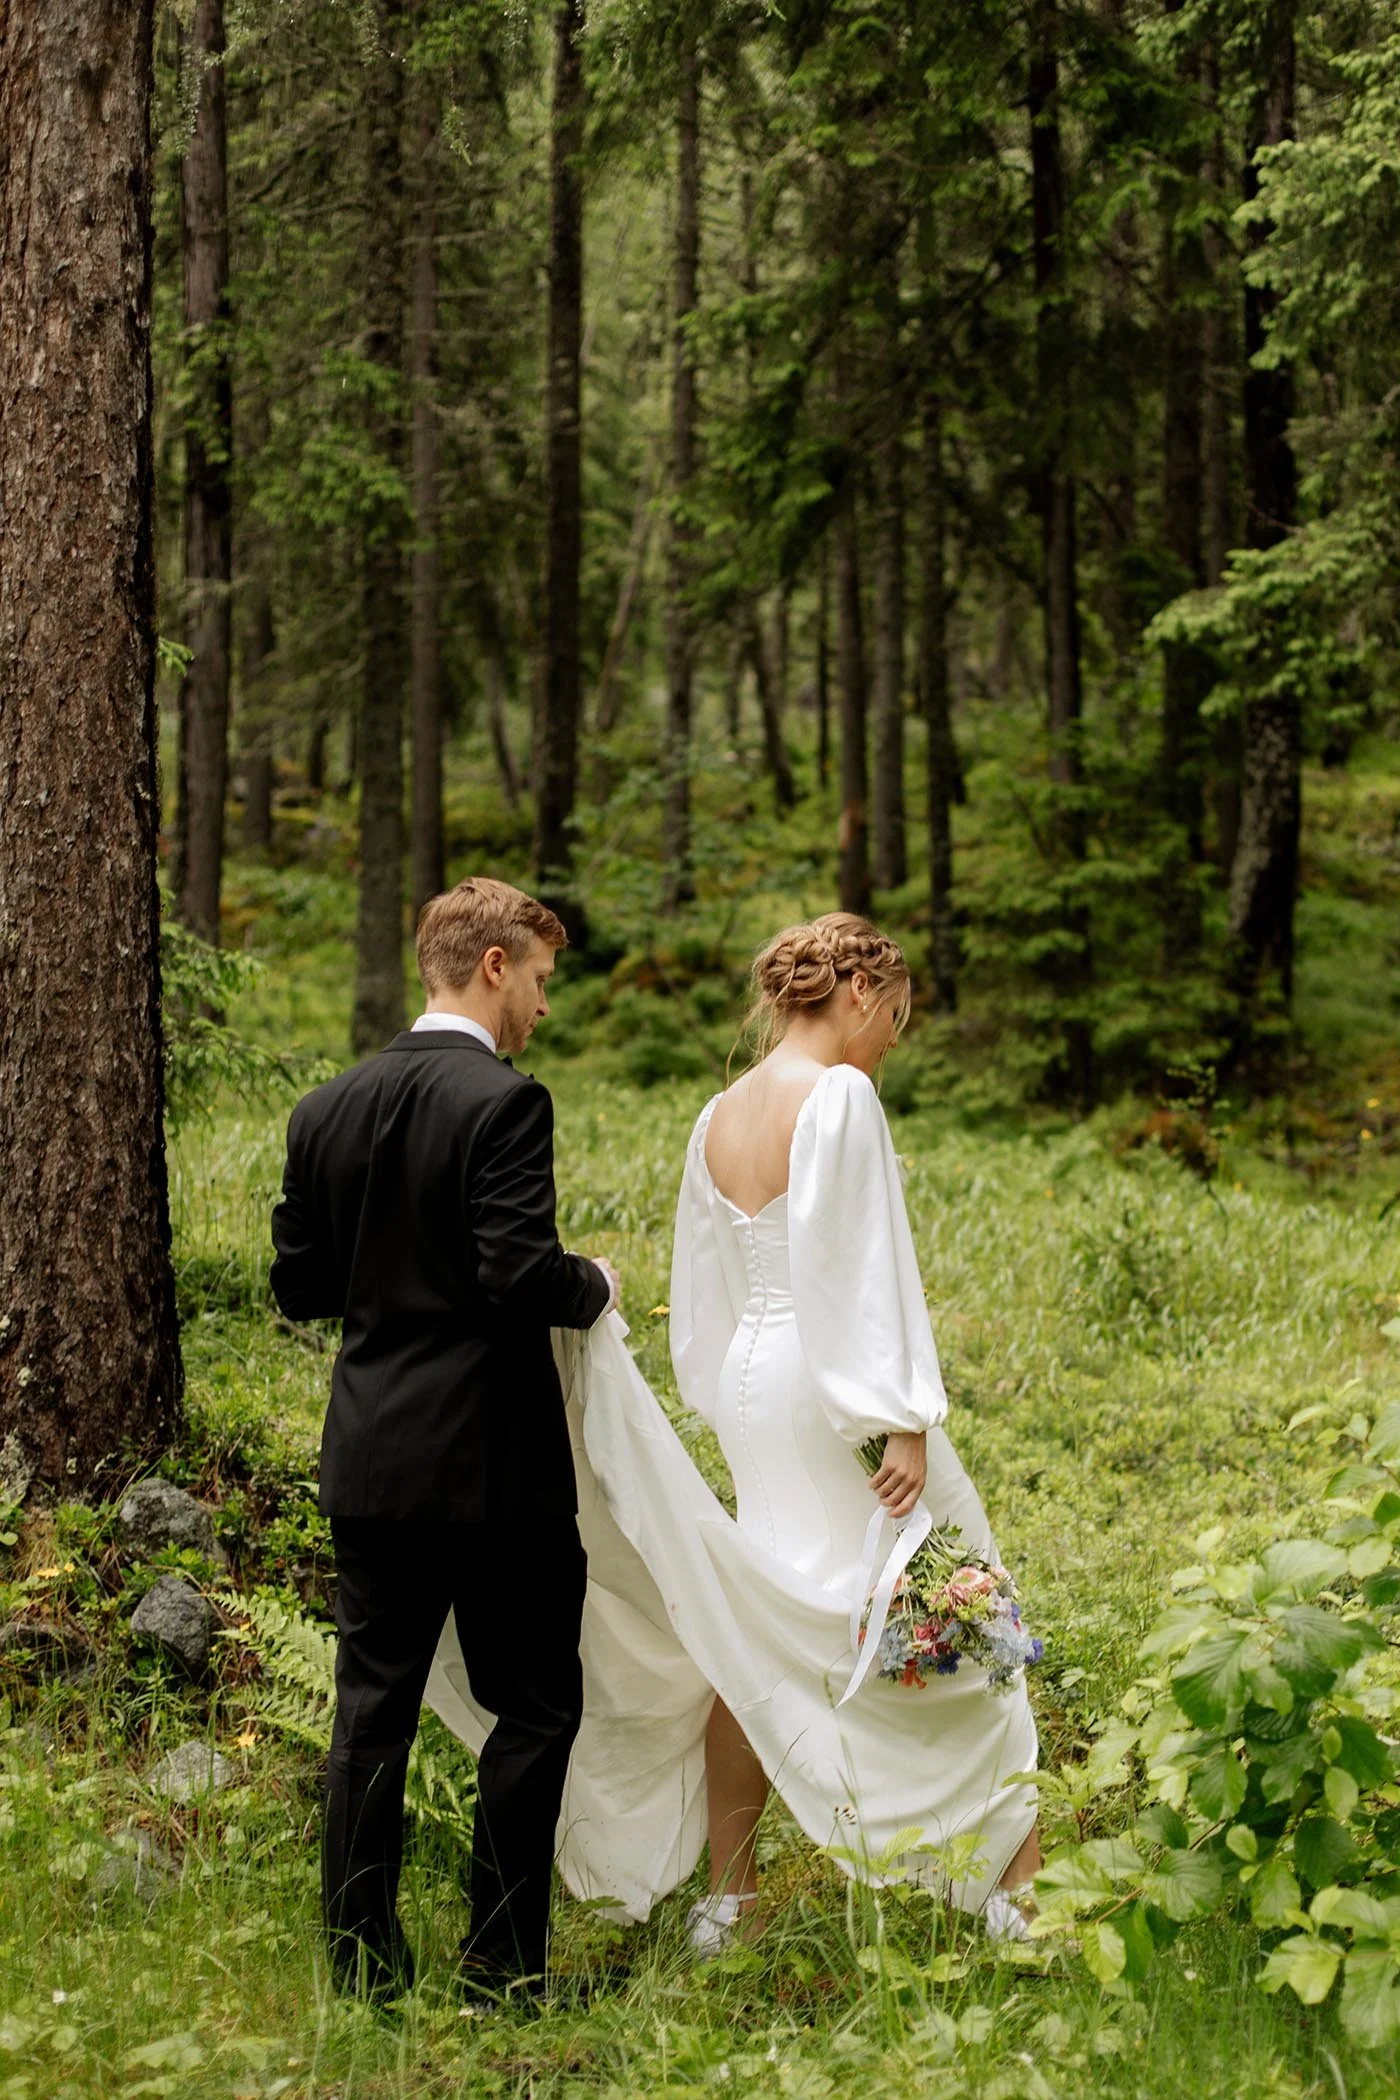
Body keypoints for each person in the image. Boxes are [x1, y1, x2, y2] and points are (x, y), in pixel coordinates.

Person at [426, 911, 1040, 1955]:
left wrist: (723, 1389)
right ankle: (1011, 1890)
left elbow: (701, 1288)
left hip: (754, 1390)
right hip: (833, 1384)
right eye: (892, 1019)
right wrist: (899, 1416)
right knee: (962, 1589)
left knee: (749, 1613)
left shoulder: (716, 1114)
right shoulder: (839, 1095)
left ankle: (730, 1898)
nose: (889, 1041)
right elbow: (859, 1265)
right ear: (856, 994)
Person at [270, 876, 618, 2004]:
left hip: (370, 1454)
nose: (542, 1011)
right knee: (535, 1707)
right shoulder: (505, 1103)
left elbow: (300, 1287)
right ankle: (501, 1971)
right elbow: (520, 1275)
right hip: (492, 1469)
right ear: (493, 967)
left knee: (369, 1714)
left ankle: (363, 1971)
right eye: (540, 982)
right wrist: (598, 1281)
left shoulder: (323, 1109)